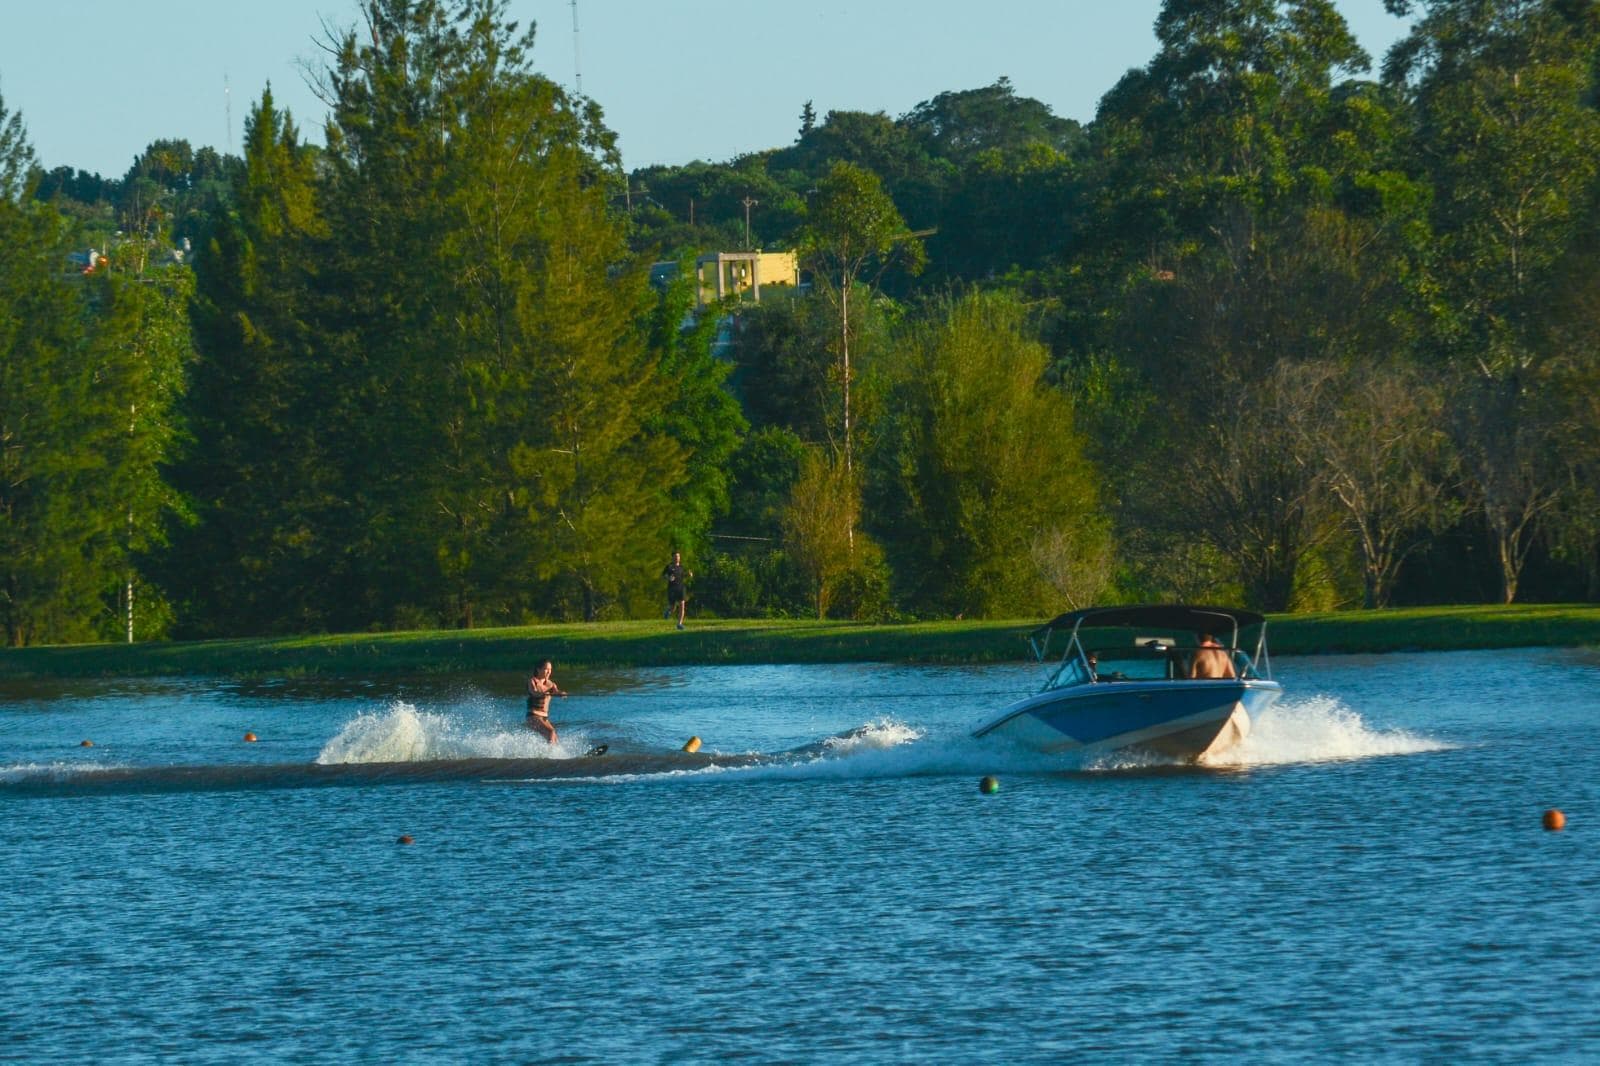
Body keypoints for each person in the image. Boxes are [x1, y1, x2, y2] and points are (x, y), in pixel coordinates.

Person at [525, 660, 566, 743]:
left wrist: (561, 693)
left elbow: (556, 692)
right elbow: (534, 692)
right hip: (533, 716)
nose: (549, 672)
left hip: (544, 718)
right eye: (546, 669)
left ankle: (556, 754)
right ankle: (549, 755)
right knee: (551, 732)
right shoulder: (533, 681)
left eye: (550, 669)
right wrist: (543, 693)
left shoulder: (551, 684)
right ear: (538, 670)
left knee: (555, 738)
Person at [662, 550, 692, 630]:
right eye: (675, 556)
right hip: (672, 588)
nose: (677, 558)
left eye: (678, 556)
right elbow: (663, 575)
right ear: (672, 557)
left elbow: (682, 576)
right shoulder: (669, 567)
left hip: (681, 588)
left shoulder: (681, 567)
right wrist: (668, 578)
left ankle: (679, 624)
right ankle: (667, 612)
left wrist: (688, 575)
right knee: (673, 608)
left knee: (682, 605)